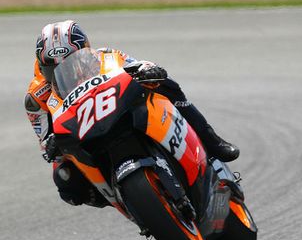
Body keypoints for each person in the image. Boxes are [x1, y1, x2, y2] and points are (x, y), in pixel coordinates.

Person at [24, 20, 240, 207]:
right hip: (80, 132)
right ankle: (122, 197)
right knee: (65, 180)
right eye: (52, 70)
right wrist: (51, 144)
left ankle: (212, 142)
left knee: (166, 85)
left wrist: (148, 70)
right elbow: (44, 140)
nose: (66, 71)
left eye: (72, 62)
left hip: (118, 113)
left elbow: (138, 65)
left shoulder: (105, 57)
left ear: (85, 52)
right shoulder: (36, 96)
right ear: (42, 68)